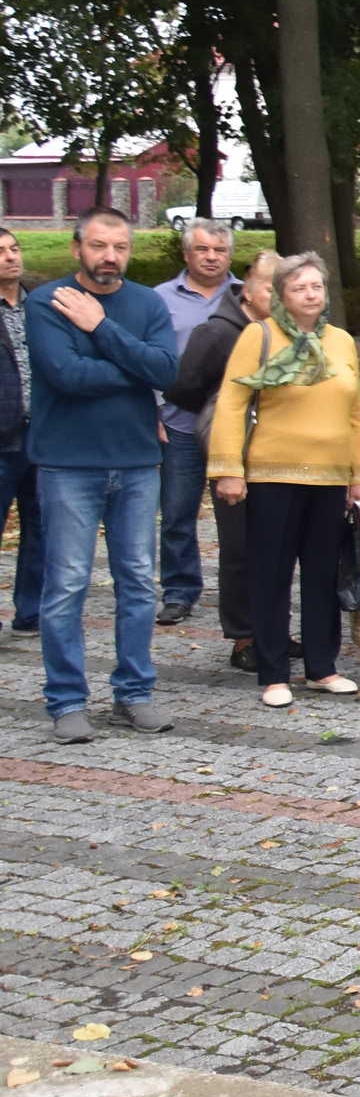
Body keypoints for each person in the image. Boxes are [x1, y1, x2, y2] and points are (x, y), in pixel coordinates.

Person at [28, 210, 183, 740]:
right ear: (77, 249)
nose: (109, 256)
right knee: (68, 584)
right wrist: (135, 367)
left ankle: (133, 693)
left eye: (119, 246)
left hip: (138, 461)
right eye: (98, 245)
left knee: (138, 582)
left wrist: (99, 327)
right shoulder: (47, 301)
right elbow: (66, 376)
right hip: (68, 463)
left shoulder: (146, 302)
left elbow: (167, 372)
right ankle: (67, 700)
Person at [206, 251, 360, 706]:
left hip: (329, 477)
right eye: (299, 287)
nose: (310, 295)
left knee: (322, 573)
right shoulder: (259, 336)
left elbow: (356, 411)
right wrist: (228, 470)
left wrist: (359, 475)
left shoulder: (340, 341)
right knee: (271, 574)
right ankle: (274, 672)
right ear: (280, 294)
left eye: (316, 287)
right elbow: (231, 403)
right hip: (271, 475)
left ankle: (322, 666)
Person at [164, 251, 279, 671]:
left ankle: (273, 630)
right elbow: (182, 387)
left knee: (274, 547)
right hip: (232, 455)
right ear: (247, 289)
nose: (279, 296)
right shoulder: (218, 332)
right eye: (271, 287)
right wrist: (221, 413)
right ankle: (244, 637)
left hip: (277, 457)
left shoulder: (284, 331)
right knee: (240, 548)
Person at [153, 218, 239, 628]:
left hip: (235, 426)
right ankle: (180, 590)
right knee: (176, 513)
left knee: (238, 516)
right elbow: (149, 358)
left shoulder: (246, 296)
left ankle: (240, 591)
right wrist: (153, 409)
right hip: (180, 423)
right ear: (187, 254)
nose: (211, 257)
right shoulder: (160, 299)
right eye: (203, 250)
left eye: (219, 250)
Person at [0, 230, 42, 637]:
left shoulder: (39, 306)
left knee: (40, 527)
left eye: (14, 249)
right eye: (1, 252)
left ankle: (30, 612)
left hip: (42, 435)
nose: (11, 258)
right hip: (2, 438)